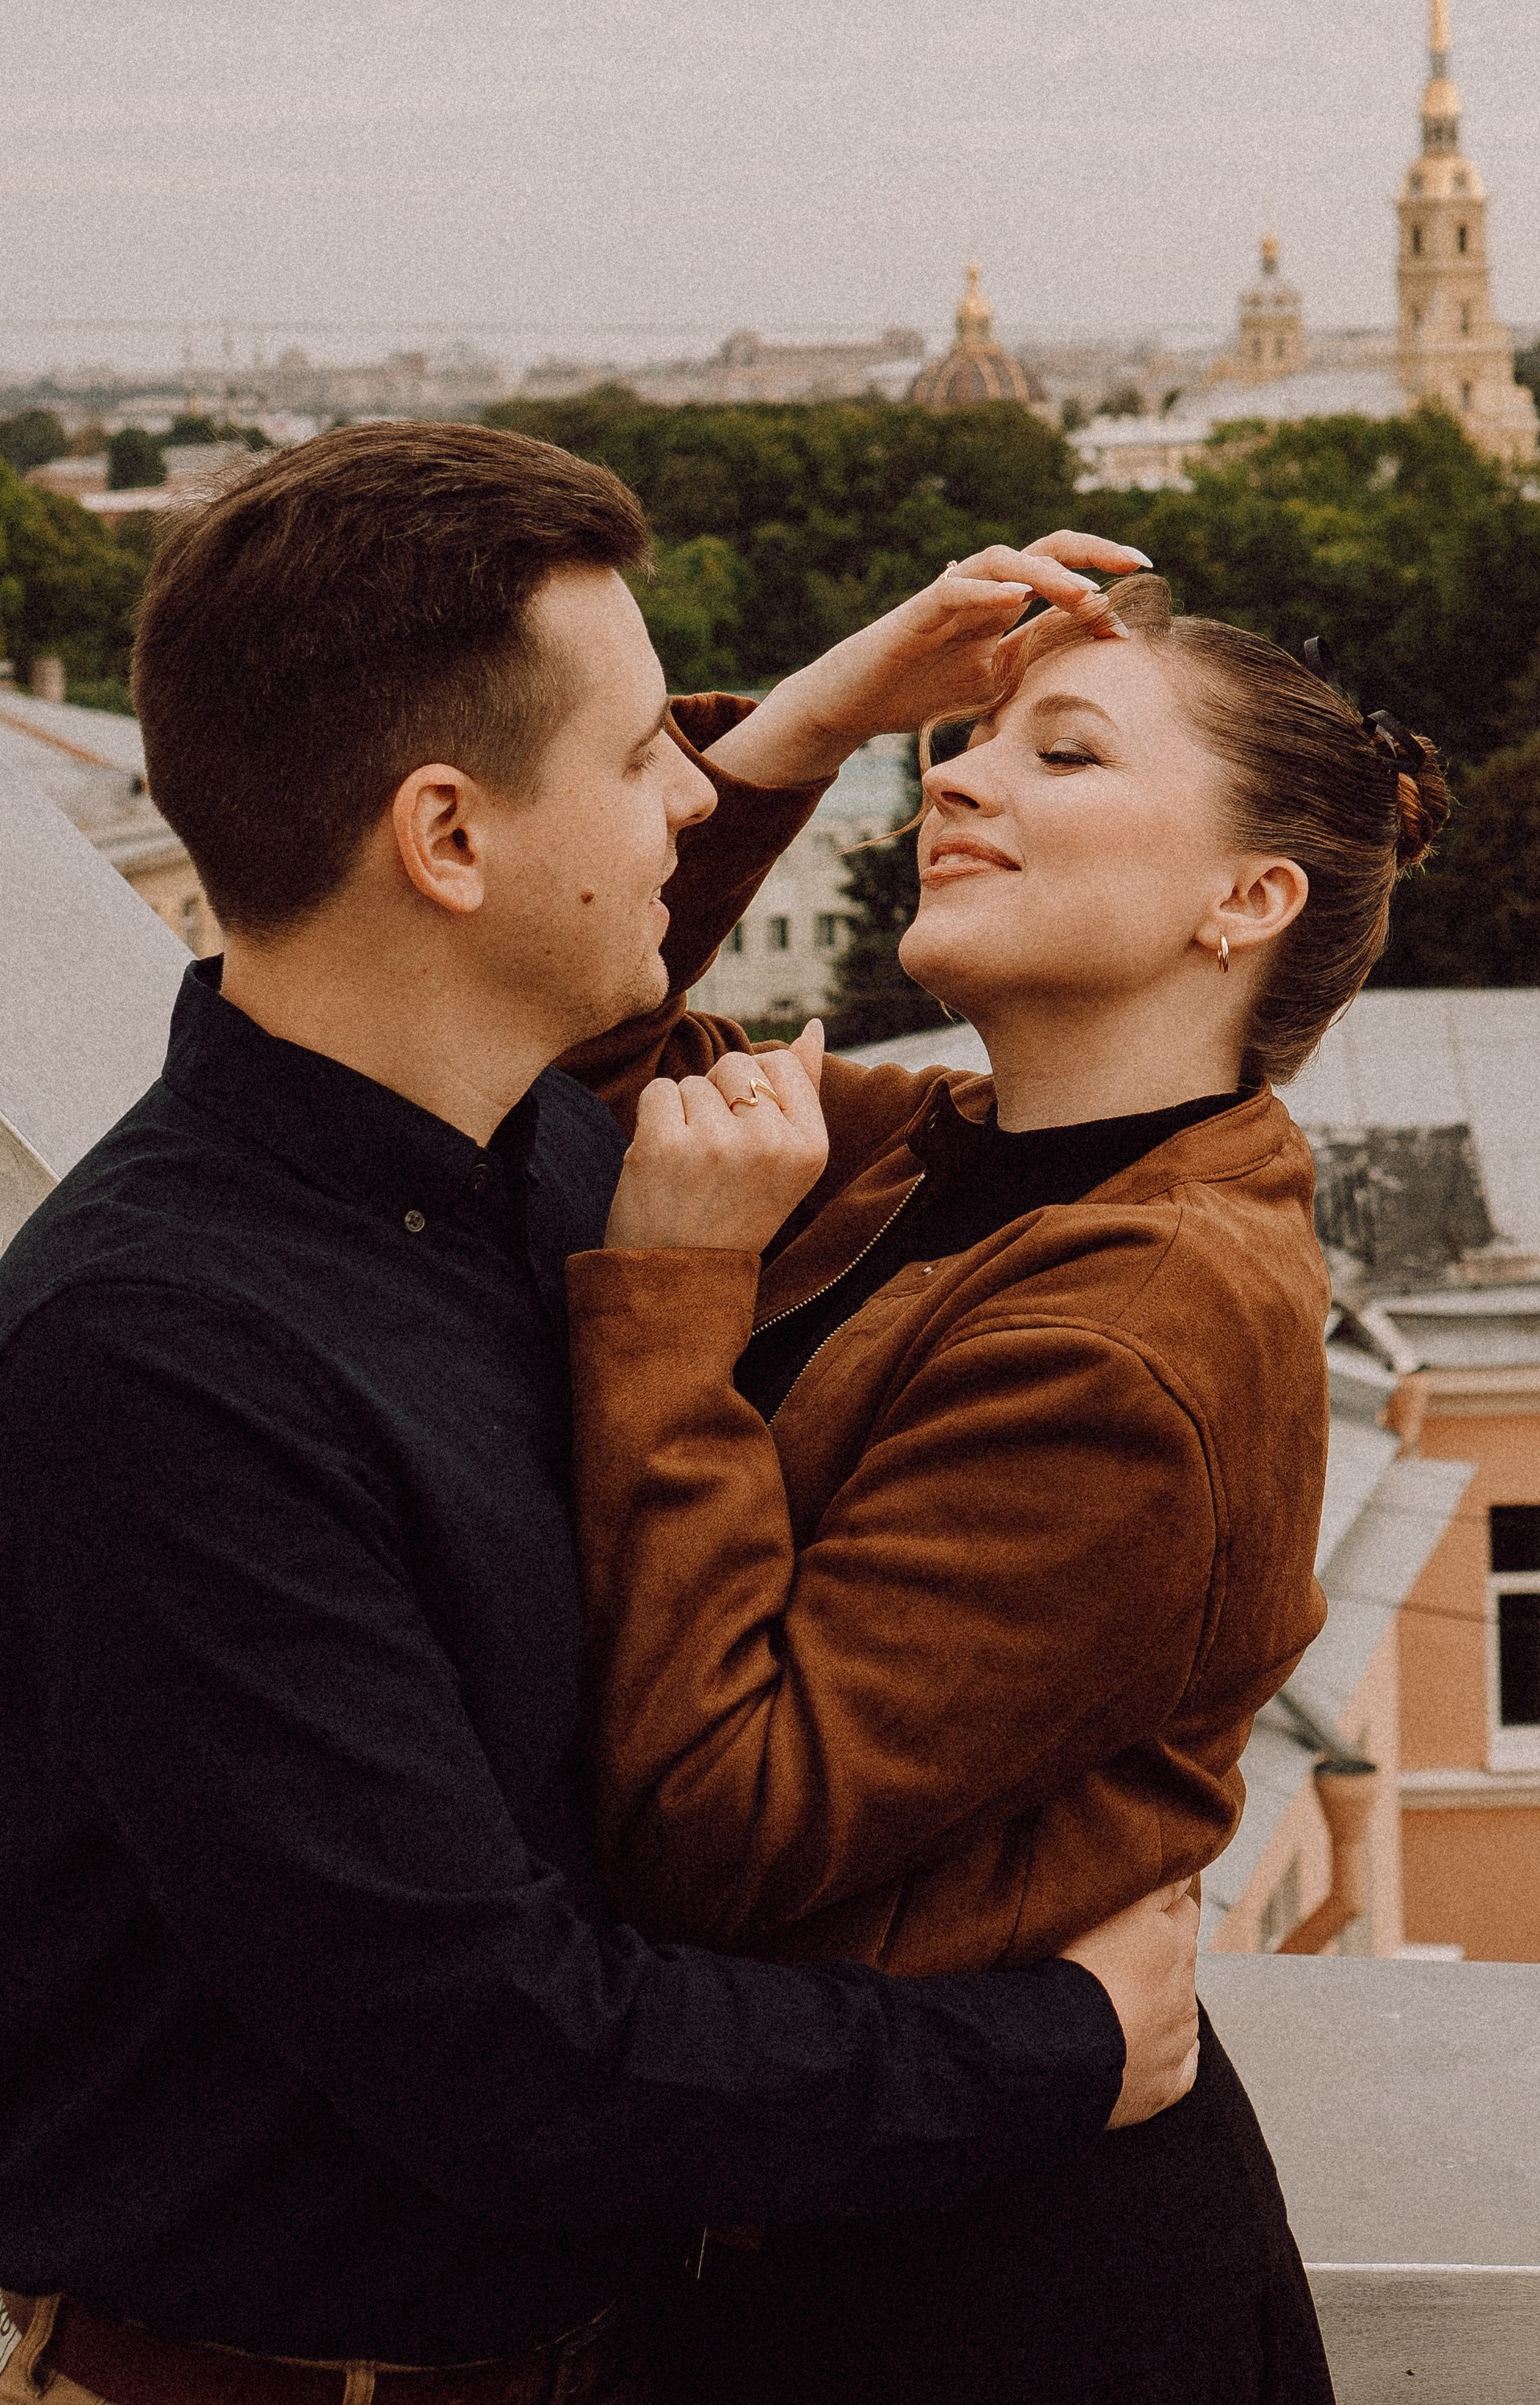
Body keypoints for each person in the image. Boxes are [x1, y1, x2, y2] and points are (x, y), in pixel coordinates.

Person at [0, 424, 1202, 2405]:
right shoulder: (162, 1356)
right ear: (448, 841)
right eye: (646, 753)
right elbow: (499, 2053)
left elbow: (585, 998)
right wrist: (1061, 2048)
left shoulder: (536, 1169)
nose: (689, 797)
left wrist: (812, 725)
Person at [558, 574, 1450, 2403]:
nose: (954, 781)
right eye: (959, 746)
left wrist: (671, 1295)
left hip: (990, 2299)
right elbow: (540, 1043)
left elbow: (728, 1821)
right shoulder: (928, 1160)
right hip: (844, 2219)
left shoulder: (1142, 1323)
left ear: (1247, 901)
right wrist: (808, 722)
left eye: (1065, 754)